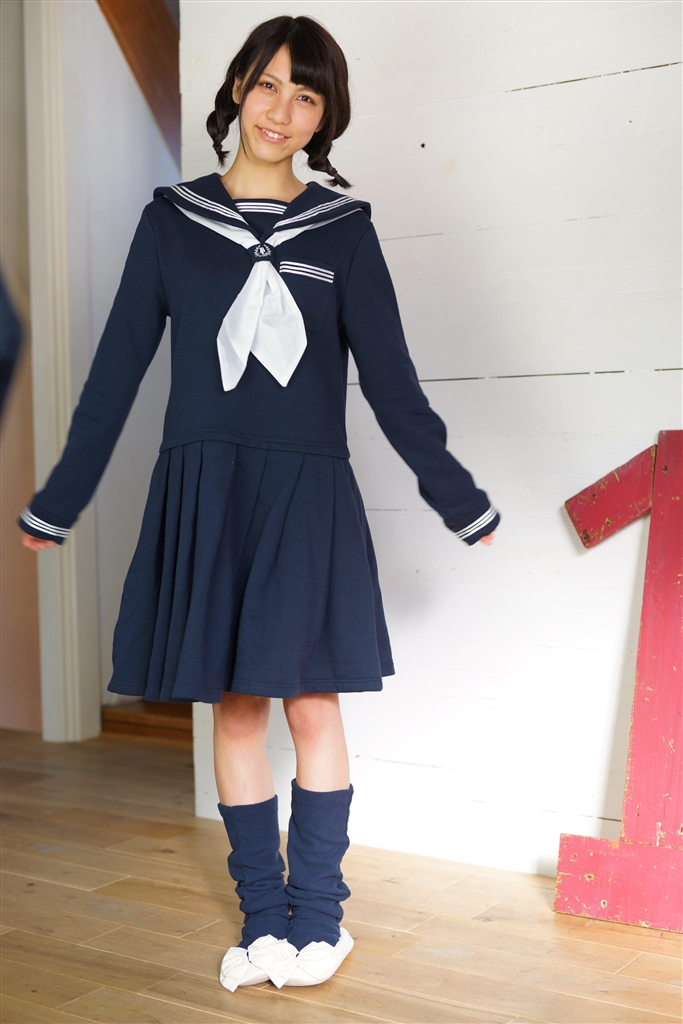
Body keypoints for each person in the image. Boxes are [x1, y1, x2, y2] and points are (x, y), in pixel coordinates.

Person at [18, 14, 499, 990]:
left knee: (312, 703)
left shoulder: (343, 232)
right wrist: (58, 502)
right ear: (238, 85)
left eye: (306, 94)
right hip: (209, 489)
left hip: (305, 493)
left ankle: (320, 918)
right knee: (235, 710)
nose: (282, 109)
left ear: (325, 116)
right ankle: (263, 921)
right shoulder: (171, 222)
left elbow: (392, 384)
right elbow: (114, 376)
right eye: (269, 83)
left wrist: (457, 498)